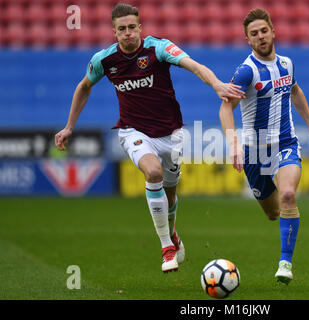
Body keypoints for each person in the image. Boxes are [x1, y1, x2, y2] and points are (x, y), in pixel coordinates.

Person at [54, 3, 245, 273]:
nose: (128, 33)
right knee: (152, 172)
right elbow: (84, 86)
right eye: (122, 29)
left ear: (140, 28)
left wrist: (217, 85)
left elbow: (194, 65)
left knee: (170, 193)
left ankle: (172, 233)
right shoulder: (104, 60)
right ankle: (167, 246)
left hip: (171, 134)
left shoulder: (159, 48)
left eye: (133, 27)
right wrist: (69, 126)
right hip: (133, 131)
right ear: (115, 31)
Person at [219, 8, 309, 284]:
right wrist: (234, 143)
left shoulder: (287, 64)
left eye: (264, 30)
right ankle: (283, 221)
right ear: (248, 40)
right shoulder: (246, 71)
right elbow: (225, 108)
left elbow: (295, 90)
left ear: (273, 31)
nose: (260, 36)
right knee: (273, 213)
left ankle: (285, 263)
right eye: (254, 34)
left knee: (288, 195)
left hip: (286, 144)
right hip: (256, 153)